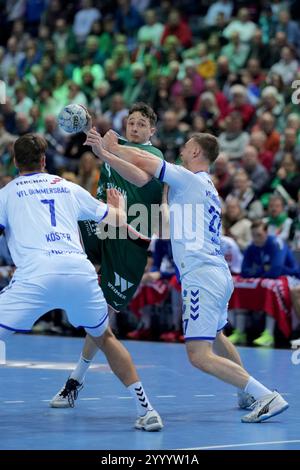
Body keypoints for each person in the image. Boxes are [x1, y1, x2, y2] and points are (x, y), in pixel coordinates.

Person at [83, 128, 289, 423]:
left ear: (196, 153)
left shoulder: (188, 178)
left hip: (200, 276)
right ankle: (247, 394)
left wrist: (109, 150)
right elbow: (166, 227)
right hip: (218, 274)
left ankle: (265, 395)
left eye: (186, 147)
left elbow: (144, 160)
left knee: (198, 355)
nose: (181, 151)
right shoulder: (204, 188)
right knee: (217, 336)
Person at [0, 133, 163, 432]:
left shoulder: (6, 194)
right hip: (79, 271)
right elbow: (114, 219)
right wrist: (119, 207)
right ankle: (147, 410)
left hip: (35, 275)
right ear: (44, 161)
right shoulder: (66, 187)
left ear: (14, 162)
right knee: (105, 338)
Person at [50, 102, 165, 408]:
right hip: (105, 225)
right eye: (132, 122)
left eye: (142, 124)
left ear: (152, 131)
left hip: (130, 241)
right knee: (65, 221)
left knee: (102, 316)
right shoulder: (114, 144)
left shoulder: (153, 156)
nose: (135, 127)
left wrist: (105, 151)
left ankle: (75, 380)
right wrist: (87, 123)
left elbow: (139, 175)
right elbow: (97, 139)